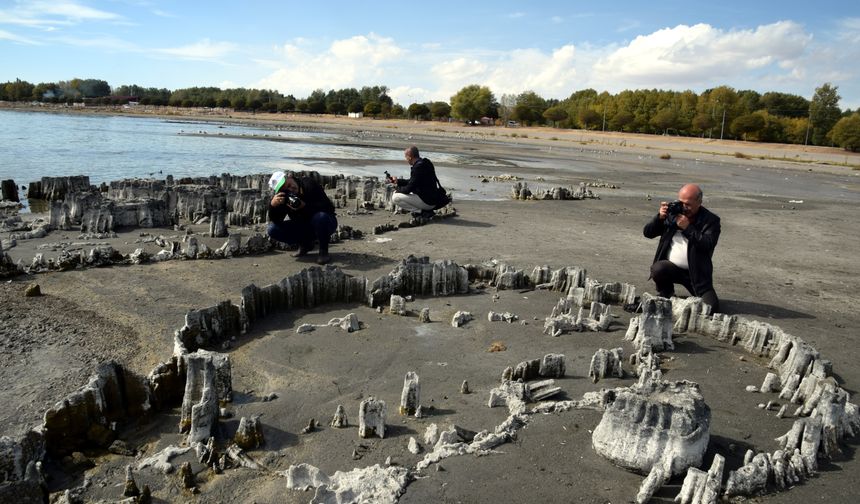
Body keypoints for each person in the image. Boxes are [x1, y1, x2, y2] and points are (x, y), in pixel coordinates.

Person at [643, 183, 721, 311]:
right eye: (681, 202)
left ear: (699, 202)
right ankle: (666, 291)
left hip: (697, 274)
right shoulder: (673, 213)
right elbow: (648, 233)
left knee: (710, 309)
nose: (684, 207)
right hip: (671, 269)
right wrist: (659, 218)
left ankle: (700, 295)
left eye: (688, 204)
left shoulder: (711, 221)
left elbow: (707, 244)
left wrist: (687, 228)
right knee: (658, 269)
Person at [267, 171, 338, 265]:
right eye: (286, 190)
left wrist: (304, 206)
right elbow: (277, 220)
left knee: (320, 217)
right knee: (272, 229)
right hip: (304, 226)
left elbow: (328, 208)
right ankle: (305, 245)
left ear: (289, 177)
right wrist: (273, 206)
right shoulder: (284, 197)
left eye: (289, 185)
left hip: (326, 222)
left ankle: (323, 251)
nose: (290, 189)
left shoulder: (309, 184)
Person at [388, 146, 447, 218]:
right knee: (403, 192)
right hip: (434, 199)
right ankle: (423, 211)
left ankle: (423, 212)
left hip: (428, 202)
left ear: (410, 157)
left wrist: (397, 189)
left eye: (406, 157)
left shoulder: (418, 167)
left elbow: (408, 189)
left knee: (395, 197)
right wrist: (398, 181)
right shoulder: (426, 162)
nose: (406, 159)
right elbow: (413, 181)